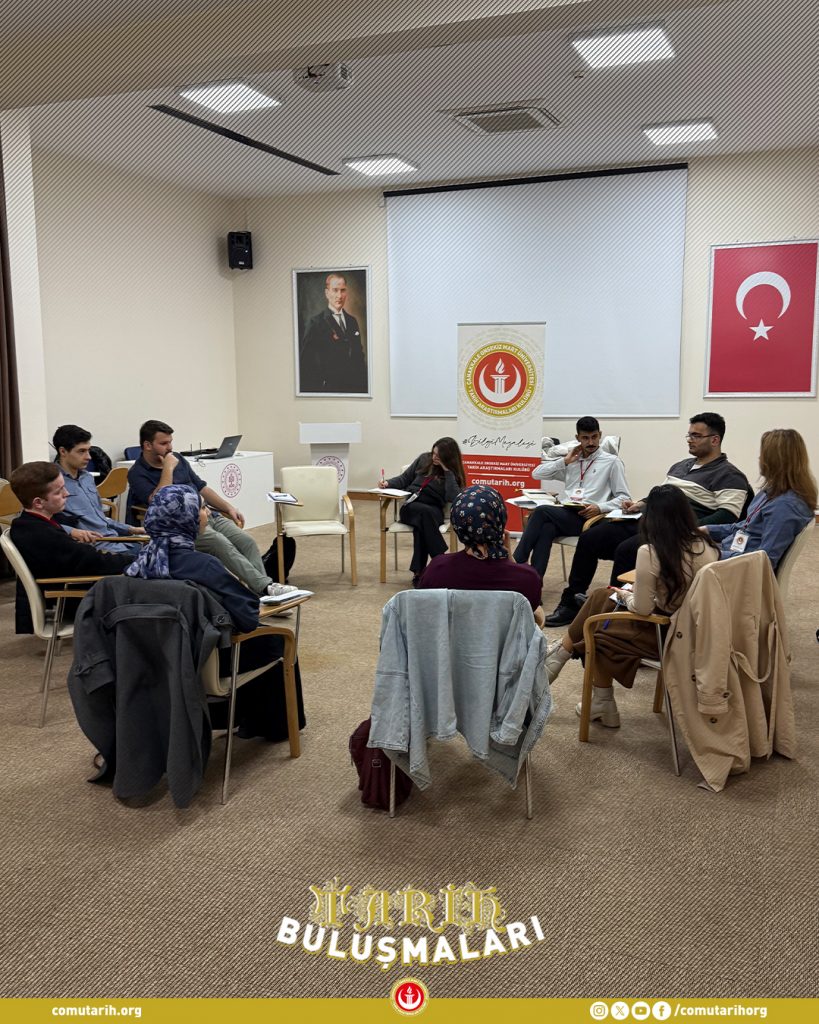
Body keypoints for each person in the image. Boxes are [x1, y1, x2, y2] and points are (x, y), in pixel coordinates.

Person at [124, 485, 306, 742]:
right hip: (204, 659)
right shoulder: (203, 565)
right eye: (201, 508)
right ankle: (275, 727)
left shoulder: (138, 564)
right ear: (186, 518)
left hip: (155, 658)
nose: (208, 513)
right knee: (276, 640)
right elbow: (247, 616)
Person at [544, 412, 750, 626]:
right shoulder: (681, 466)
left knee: (626, 550)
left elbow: (727, 516)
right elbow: (661, 495)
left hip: (676, 533)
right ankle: (570, 603)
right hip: (649, 520)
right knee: (590, 538)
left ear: (715, 440)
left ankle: (616, 617)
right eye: (689, 435)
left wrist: (686, 528)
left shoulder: (730, 476)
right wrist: (640, 503)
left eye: (696, 436)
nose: (690, 440)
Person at [546, 485, 720, 728]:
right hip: (696, 630)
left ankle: (568, 665)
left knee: (594, 630)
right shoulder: (706, 545)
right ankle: (567, 662)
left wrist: (626, 596)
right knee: (601, 596)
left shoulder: (651, 550)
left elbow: (642, 610)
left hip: (666, 633)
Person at [127, 419, 294, 598]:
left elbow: (202, 488)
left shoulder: (178, 459)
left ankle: (261, 595)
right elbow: (158, 500)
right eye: (164, 443)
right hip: (183, 528)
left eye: (170, 442)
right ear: (147, 445)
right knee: (221, 544)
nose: (170, 447)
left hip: (209, 514)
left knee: (247, 542)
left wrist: (229, 507)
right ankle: (266, 588)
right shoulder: (137, 473)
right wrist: (168, 468)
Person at [8, 462, 137, 633]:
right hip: (74, 598)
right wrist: (138, 560)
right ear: (38, 503)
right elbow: (91, 561)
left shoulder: (32, 523)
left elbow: (81, 557)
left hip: (74, 589)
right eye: (58, 491)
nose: (67, 493)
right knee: (150, 589)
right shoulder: (41, 534)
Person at [513, 417, 630, 579]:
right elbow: (536, 474)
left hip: (590, 518)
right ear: (577, 438)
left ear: (600, 435)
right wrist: (565, 461)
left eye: (594, 437)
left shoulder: (612, 462)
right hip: (567, 513)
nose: (591, 442)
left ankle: (516, 560)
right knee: (546, 529)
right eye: (585, 438)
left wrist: (599, 507)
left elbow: (624, 497)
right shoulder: (572, 461)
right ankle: (534, 582)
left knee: (541, 511)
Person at [419, 485, 544, 625]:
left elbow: (425, 611)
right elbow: (531, 611)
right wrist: (511, 561)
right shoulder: (527, 579)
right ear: (500, 519)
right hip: (501, 640)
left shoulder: (436, 570)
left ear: (457, 524)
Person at [705, 428, 816, 570]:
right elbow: (744, 527)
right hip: (732, 553)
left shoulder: (784, 506)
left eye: (763, 454)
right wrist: (706, 530)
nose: (759, 459)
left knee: (683, 558)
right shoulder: (770, 492)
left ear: (774, 460)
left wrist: (715, 555)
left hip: (740, 569)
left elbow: (764, 561)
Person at [379, 437, 466, 585]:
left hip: (433, 511)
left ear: (448, 457)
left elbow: (453, 497)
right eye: (433, 453)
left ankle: (419, 573)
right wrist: (387, 483)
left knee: (422, 524)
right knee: (424, 517)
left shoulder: (452, 473)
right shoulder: (424, 459)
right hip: (411, 507)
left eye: (438, 455)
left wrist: (447, 470)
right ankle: (439, 558)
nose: (434, 457)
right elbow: (404, 479)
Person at [53, 424, 145, 553]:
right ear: (63, 451)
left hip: (115, 540)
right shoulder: (51, 482)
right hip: (95, 547)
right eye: (81, 451)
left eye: (88, 450)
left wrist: (130, 529)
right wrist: (72, 531)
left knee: (165, 548)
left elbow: (100, 518)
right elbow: (43, 523)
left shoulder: (87, 478)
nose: (89, 457)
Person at [299, 273, 367, 394]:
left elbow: (359, 357)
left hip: (354, 389)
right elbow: (306, 364)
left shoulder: (352, 321)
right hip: (329, 390)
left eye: (343, 290)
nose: (339, 296)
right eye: (335, 290)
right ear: (327, 293)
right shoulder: (316, 323)